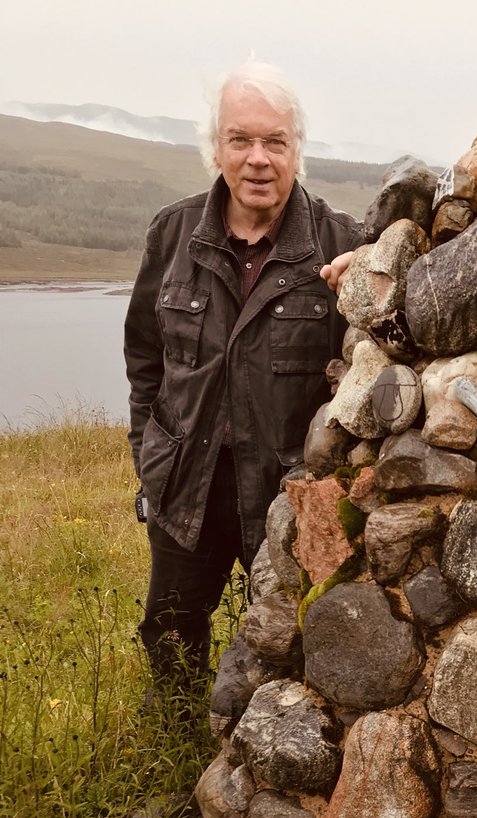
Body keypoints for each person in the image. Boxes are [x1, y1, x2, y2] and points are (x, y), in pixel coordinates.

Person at [124, 61, 361, 695]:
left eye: (274, 142)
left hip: (289, 492)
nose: (258, 159)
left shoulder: (342, 245)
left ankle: (258, 782)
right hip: (185, 484)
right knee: (172, 635)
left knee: (293, 648)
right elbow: (145, 358)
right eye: (241, 140)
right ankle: (174, 758)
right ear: (217, 148)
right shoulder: (172, 234)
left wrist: (366, 287)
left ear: (297, 150)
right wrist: (146, 458)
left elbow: (367, 378)